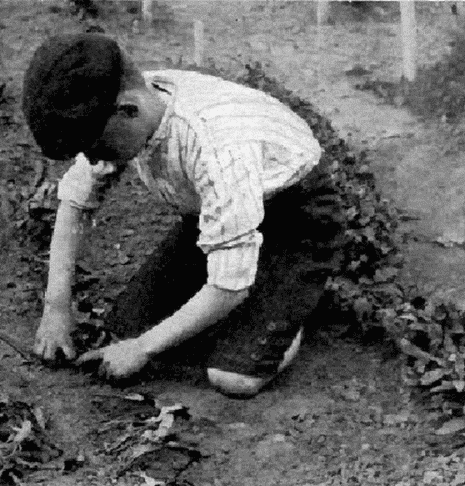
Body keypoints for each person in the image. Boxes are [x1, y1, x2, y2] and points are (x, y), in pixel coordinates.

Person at [23, 33, 343, 397]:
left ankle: (293, 305)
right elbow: (76, 203)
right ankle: (258, 294)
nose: (94, 160)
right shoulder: (122, 102)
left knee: (233, 378)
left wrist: (143, 349)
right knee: (124, 331)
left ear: (128, 110)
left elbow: (229, 283)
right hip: (219, 211)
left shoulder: (215, 145)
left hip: (296, 214)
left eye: (99, 148)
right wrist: (56, 308)